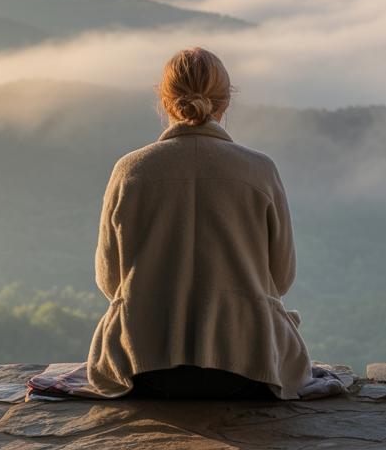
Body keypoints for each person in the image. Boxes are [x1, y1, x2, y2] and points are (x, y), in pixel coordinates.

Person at [86, 47, 314, 400]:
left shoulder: (129, 171)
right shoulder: (260, 170)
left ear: (165, 103)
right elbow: (281, 278)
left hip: (143, 370)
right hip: (248, 369)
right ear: (224, 104)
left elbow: (109, 280)